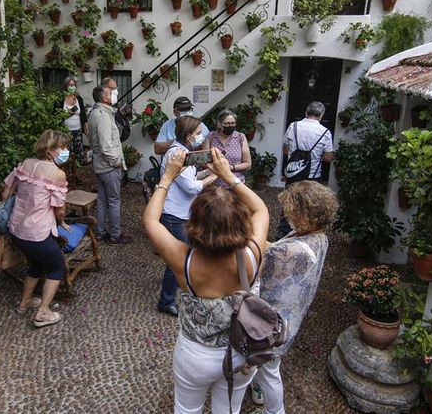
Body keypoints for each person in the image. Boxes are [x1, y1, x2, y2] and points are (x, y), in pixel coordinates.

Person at [143, 148, 270, 414]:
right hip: (240, 351)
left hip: (195, 356)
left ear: (195, 223)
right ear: (240, 222)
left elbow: (151, 220)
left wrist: (167, 176)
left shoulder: (183, 261)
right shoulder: (251, 255)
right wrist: (229, 175)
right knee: (229, 410)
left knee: (186, 409)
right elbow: (260, 209)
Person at [251, 182, 338, 412]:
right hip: (290, 316)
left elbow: (257, 260)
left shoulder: (291, 252)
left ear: (302, 213)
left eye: (289, 209)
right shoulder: (319, 237)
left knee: (269, 371)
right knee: (268, 367)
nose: (285, 213)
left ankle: (274, 410)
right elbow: (277, 247)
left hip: (271, 321)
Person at [1, 130, 71, 328]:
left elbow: (6, 191)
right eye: (62, 147)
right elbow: (60, 209)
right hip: (37, 233)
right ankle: (42, 312)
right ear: (50, 150)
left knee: (36, 264)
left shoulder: (26, 164)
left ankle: (24, 304)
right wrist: (62, 222)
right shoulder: (57, 173)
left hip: (16, 230)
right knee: (56, 265)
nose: (66, 151)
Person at [155, 116, 218, 317]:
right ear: (188, 134)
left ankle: (180, 286)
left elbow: (189, 178)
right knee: (179, 258)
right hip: (174, 213)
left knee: (184, 254)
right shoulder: (177, 154)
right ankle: (166, 300)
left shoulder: (185, 152)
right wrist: (214, 177)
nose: (201, 136)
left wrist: (205, 172)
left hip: (182, 212)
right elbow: (191, 188)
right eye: (199, 132)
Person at [277, 101, 335, 237]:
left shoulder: (293, 126)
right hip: (313, 175)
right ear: (321, 116)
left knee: (289, 201)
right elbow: (328, 157)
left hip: (294, 172)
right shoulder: (325, 132)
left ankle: (283, 233)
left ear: (306, 113)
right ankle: (305, 234)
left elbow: (285, 149)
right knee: (310, 205)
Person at [88, 80, 132, 244]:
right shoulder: (103, 117)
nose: (115, 94)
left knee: (102, 200)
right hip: (108, 166)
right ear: (104, 99)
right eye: (111, 92)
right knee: (113, 201)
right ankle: (115, 235)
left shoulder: (95, 113)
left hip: (100, 165)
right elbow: (106, 146)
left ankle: (100, 233)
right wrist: (117, 162)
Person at [206, 109, 251, 188]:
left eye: (233, 123)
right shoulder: (211, 137)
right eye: (226, 123)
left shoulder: (240, 137)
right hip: (214, 185)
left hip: (236, 184)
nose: (230, 126)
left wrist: (231, 168)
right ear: (219, 124)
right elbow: (204, 161)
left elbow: (248, 164)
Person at [62, 76, 88, 164]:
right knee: (67, 150)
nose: (72, 87)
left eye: (73, 85)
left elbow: (83, 114)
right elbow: (56, 115)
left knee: (79, 150)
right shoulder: (60, 99)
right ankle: (68, 169)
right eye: (70, 85)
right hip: (66, 130)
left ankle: (78, 170)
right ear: (66, 86)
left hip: (78, 129)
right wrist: (66, 114)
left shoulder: (78, 98)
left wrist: (86, 125)